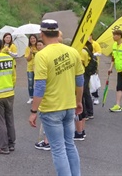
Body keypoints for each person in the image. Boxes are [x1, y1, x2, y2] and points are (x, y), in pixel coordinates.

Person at [29, 19, 84, 176]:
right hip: (69, 106)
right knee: (70, 145)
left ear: (42, 34)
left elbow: (40, 86)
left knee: (58, 149)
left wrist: (33, 110)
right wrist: (78, 101)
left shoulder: (42, 55)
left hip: (51, 108)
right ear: (57, 32)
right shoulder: (73, 52)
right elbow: (80, 80)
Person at [75, 40, 97, 140]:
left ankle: (80, 131)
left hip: (82, 74)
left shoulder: (81, 52)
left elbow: (80, 64)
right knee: (84, 95)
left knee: (82, 96)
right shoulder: (86, 50)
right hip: (84, 74)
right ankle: (82, 129)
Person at [87, 35, 102, 105]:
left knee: (94, 81)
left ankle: (96, 97)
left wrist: (93, 54)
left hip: (94, 65)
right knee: (88, 81)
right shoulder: (84, 44)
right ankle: (90, 95)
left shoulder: (95, 44)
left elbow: (100, 52)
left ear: (91, 36)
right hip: (86, 65)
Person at [24, 34, 38, 104]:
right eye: (31, 39)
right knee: (30, 84)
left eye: (34, 38)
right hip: (30, 68)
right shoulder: (28, 48)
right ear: (29, 40)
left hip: (38, 68)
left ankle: (39, 97)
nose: (33, 40)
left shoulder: (39, 47)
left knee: (39, 83)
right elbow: (28, 59)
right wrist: (31, 52)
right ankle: (31, 97)